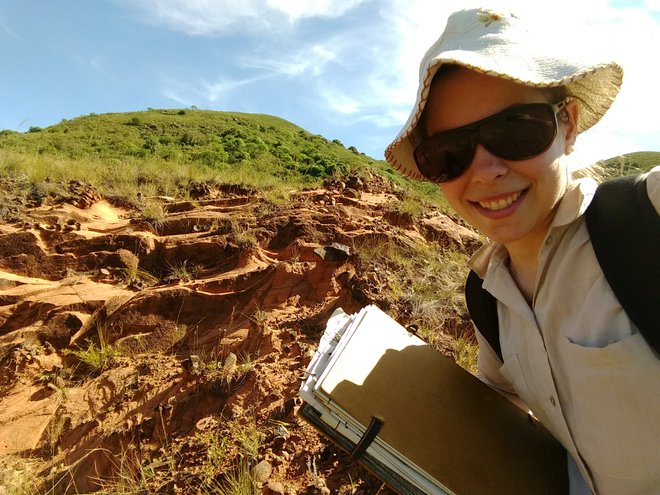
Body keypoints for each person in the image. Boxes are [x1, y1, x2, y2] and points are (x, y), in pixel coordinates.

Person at [384, 7, 660, 495]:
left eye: (515, 130)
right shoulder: (488, 295)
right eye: (449, 153)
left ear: (567, 126)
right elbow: (503, 398)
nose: (486, 169)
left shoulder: (646, 220)